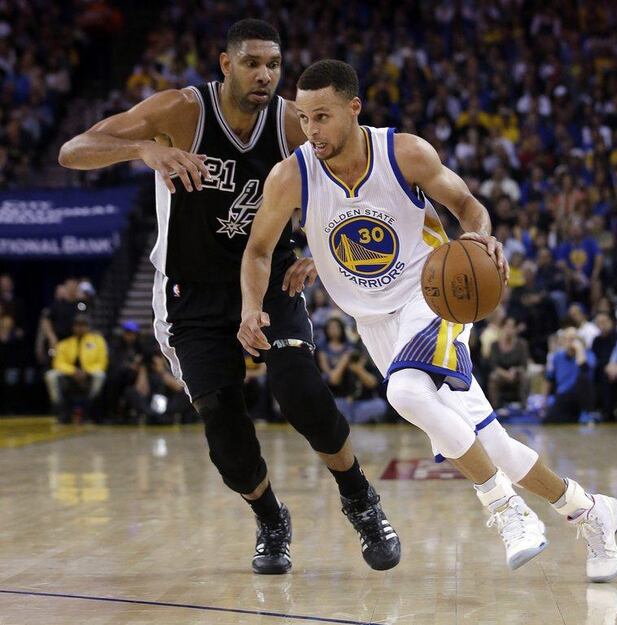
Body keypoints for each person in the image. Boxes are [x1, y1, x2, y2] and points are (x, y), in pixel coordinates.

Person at [240, 59, 617, 581]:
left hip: (435, 296)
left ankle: (506, 510)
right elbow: (259, 250)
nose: (312, 131)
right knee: (494, 446)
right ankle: (590, 511)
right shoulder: (292, 175)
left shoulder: (404, 153)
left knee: (404, 393)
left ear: (354, 108)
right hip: (374, 322)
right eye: (304, 118)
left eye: (323, 116)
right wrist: (251, 305)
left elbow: (468, 206)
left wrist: (479, 238)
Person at [58, 20, 399, 575]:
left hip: (269, 278)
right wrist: (145, 149)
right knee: (225, 432)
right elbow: (73, 151)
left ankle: (360, 498)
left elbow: (356, 177)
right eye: (252, 63)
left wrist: (325, 248)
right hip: (190, 291)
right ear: (226, 65)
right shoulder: (181, 112)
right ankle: (270, 518)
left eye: (273, 64)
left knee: (301, 392)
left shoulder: (293, 122)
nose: (264, 74)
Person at [44, 314, 108, 423]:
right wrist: (73, 371)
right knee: (50, 375)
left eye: (83, 325)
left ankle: (88, 409)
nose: (80, 328)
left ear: (88, 327)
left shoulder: (98, 341)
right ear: (73, 327)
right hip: (70, 376)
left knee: (100, 375)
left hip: (89, 375)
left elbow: (102, 362)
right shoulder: (65, 343)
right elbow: (58, 363)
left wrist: (86, 372)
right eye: (77, 325)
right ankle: (61, 411)